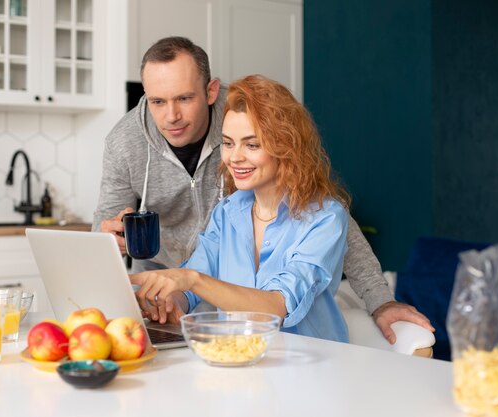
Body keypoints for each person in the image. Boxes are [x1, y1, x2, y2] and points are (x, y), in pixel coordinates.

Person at [92, 36, 433, 342]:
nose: (171, 116)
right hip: (204, 315)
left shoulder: (243, 110)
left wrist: (381, 300)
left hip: (309, 365)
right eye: (157, 102)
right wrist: (165, 291)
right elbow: (113, 239)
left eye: (184, 98)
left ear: (211, 92)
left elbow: (335, 230)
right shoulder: (228, 211)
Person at [131, 74, 350, 340]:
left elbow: (278, 308)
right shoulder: (227, 213)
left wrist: (191, 280)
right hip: (239, 362)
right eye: (228, 143)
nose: (235, 157)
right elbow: (193, 282)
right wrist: (171, 303)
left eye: (252, 144)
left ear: (286, 146)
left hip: (310, 367)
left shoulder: (325, 218)